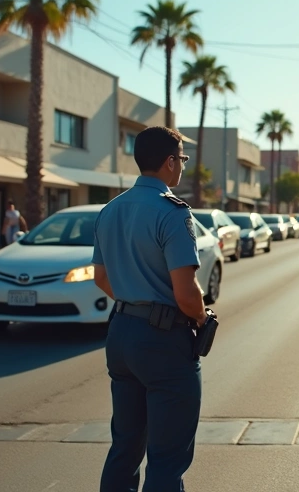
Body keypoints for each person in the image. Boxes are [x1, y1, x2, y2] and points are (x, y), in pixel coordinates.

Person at [91, 126, 210, 492]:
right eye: (182, 159)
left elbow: (100, 277)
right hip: (163, 339)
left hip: (122, 332)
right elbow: (186, 293)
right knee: (166, 458)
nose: (182, 167)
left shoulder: (111, 209)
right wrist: (202, 318)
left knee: (125, 447)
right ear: (170, 162)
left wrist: (134, 297)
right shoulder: (172, 212)